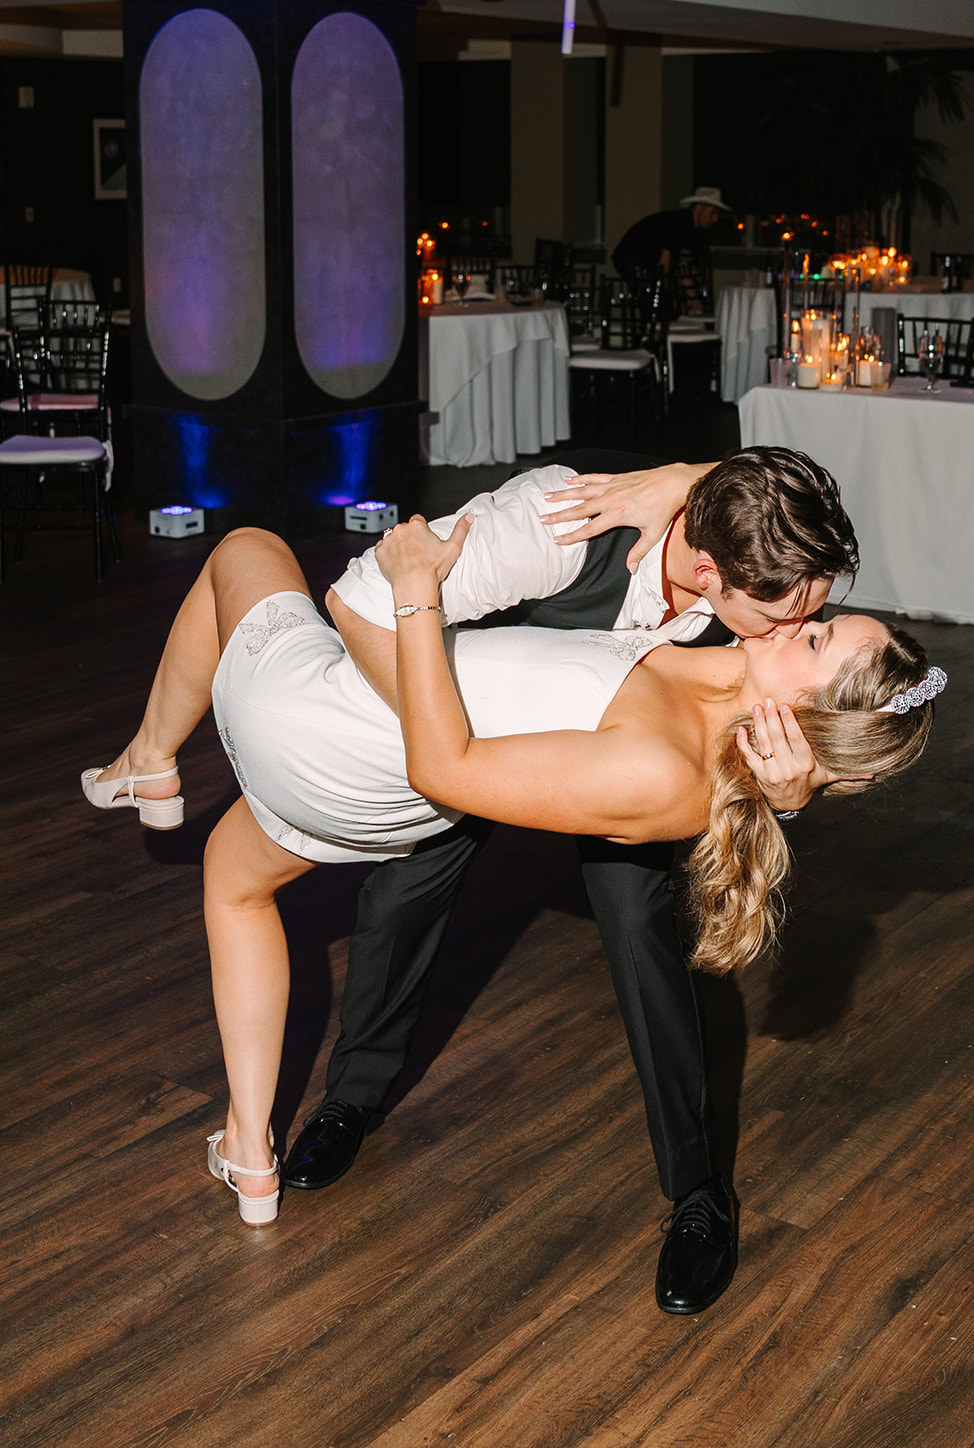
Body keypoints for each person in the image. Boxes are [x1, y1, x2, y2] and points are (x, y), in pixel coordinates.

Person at [82, 517, 941, 1252]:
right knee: (234, 880)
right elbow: (759, 514)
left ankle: (150, 760)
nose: (800, 618)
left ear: (811, 720)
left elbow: (442, 768)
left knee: (245, 546)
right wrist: (671, 476)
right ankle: (250, 1155)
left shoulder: (664, 771)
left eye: (819, 638)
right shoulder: (724, 671)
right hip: (363, 768)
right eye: (822, 617)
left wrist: (415, 589)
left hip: (342, 731)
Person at [288, 447, 861, 1317]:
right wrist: (456, 754)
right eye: (784, 616)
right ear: (711, 571)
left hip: (624, 763)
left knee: (644, 933)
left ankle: (699, 1192)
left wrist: (792, 795)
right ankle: (350, 1100)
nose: (791, 633)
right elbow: (356, 597)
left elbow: (836, 711)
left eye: (810, 613)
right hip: (471, 724)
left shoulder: (762, 575)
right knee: (405, 887)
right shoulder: (556, 525)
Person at [612, 187, 732, 286]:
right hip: (631, 257)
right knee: (655, 293)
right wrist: (672, 297)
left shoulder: (696, 232)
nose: (715, 219)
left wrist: (693, 298)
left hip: (649, 262)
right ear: (698, 209)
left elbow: (683, 265)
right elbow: (664, 264)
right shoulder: (678, 224)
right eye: (713, 213)